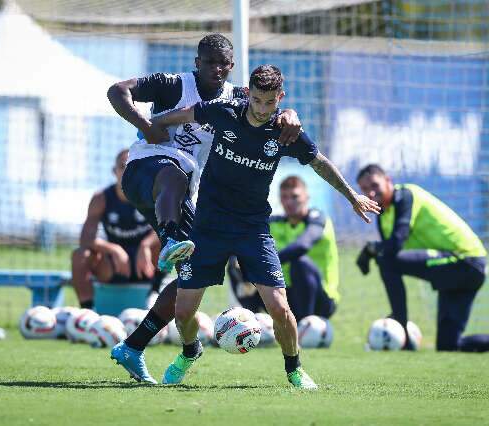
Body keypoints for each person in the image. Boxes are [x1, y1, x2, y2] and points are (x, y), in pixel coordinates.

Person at [150, 64, 380, 389]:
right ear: (247, 94)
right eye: (256, 100)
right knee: (184, 312)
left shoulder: (286, 132)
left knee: (280, 308)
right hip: (209, 228)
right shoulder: (225, 111)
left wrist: (352, 195)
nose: (261, 109)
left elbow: (320, 163)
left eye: (269, 103)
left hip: (253, 230)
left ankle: (295, 370)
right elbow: (183, 114)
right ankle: (189, 351)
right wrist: (153, 125)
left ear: (280, 97)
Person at [107, 34, 302, 384]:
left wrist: (290, 114)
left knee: (189, 280)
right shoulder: (171, 85)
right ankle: (169, 239)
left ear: (231, 66)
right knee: (174, 169)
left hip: (180, 195)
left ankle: (135, 346)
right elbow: (117, 90)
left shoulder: (239, 100)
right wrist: (146, 126)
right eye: (208, 61)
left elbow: (273, 105)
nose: (215, 68)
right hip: (146, 171)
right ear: (196, 62)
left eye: (222, 63)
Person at [355, 164, 489, 356]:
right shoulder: (383, 214)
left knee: (387, 262)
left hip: (465, 261)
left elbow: (396, 244)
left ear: (388, 181)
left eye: (375, 185)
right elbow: (390, 249)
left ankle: (403, 332)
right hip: (455, 271)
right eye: (365, 189)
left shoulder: (405, 196)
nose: (371, 193)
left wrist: (372, 250)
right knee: (449, 346)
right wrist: (374, 250)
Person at [227, 175, 340, 322]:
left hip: (321, 300)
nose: (289, 202)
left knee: (299, 262)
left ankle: (305, 324)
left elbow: (302, 246)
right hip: (285, 295)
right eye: (284, 197)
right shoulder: (274, 222)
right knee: (236, 262)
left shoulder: (318, 219)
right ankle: (253, 324)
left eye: (295, 196)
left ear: (307, 197)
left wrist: (260, 265)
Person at [71, 149, 162, 310]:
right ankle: (88, 311)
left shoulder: (152, 194)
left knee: (172, 243)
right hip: (115, 264)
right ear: (114, 172)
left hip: (147, 262)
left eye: (132, 167)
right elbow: (86, 238)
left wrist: (145, 245)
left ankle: (156, 293)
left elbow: (168, 227)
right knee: (80, 255)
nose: (127, 171)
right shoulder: (101, 198)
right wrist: (114, 249)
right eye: (122, 166)